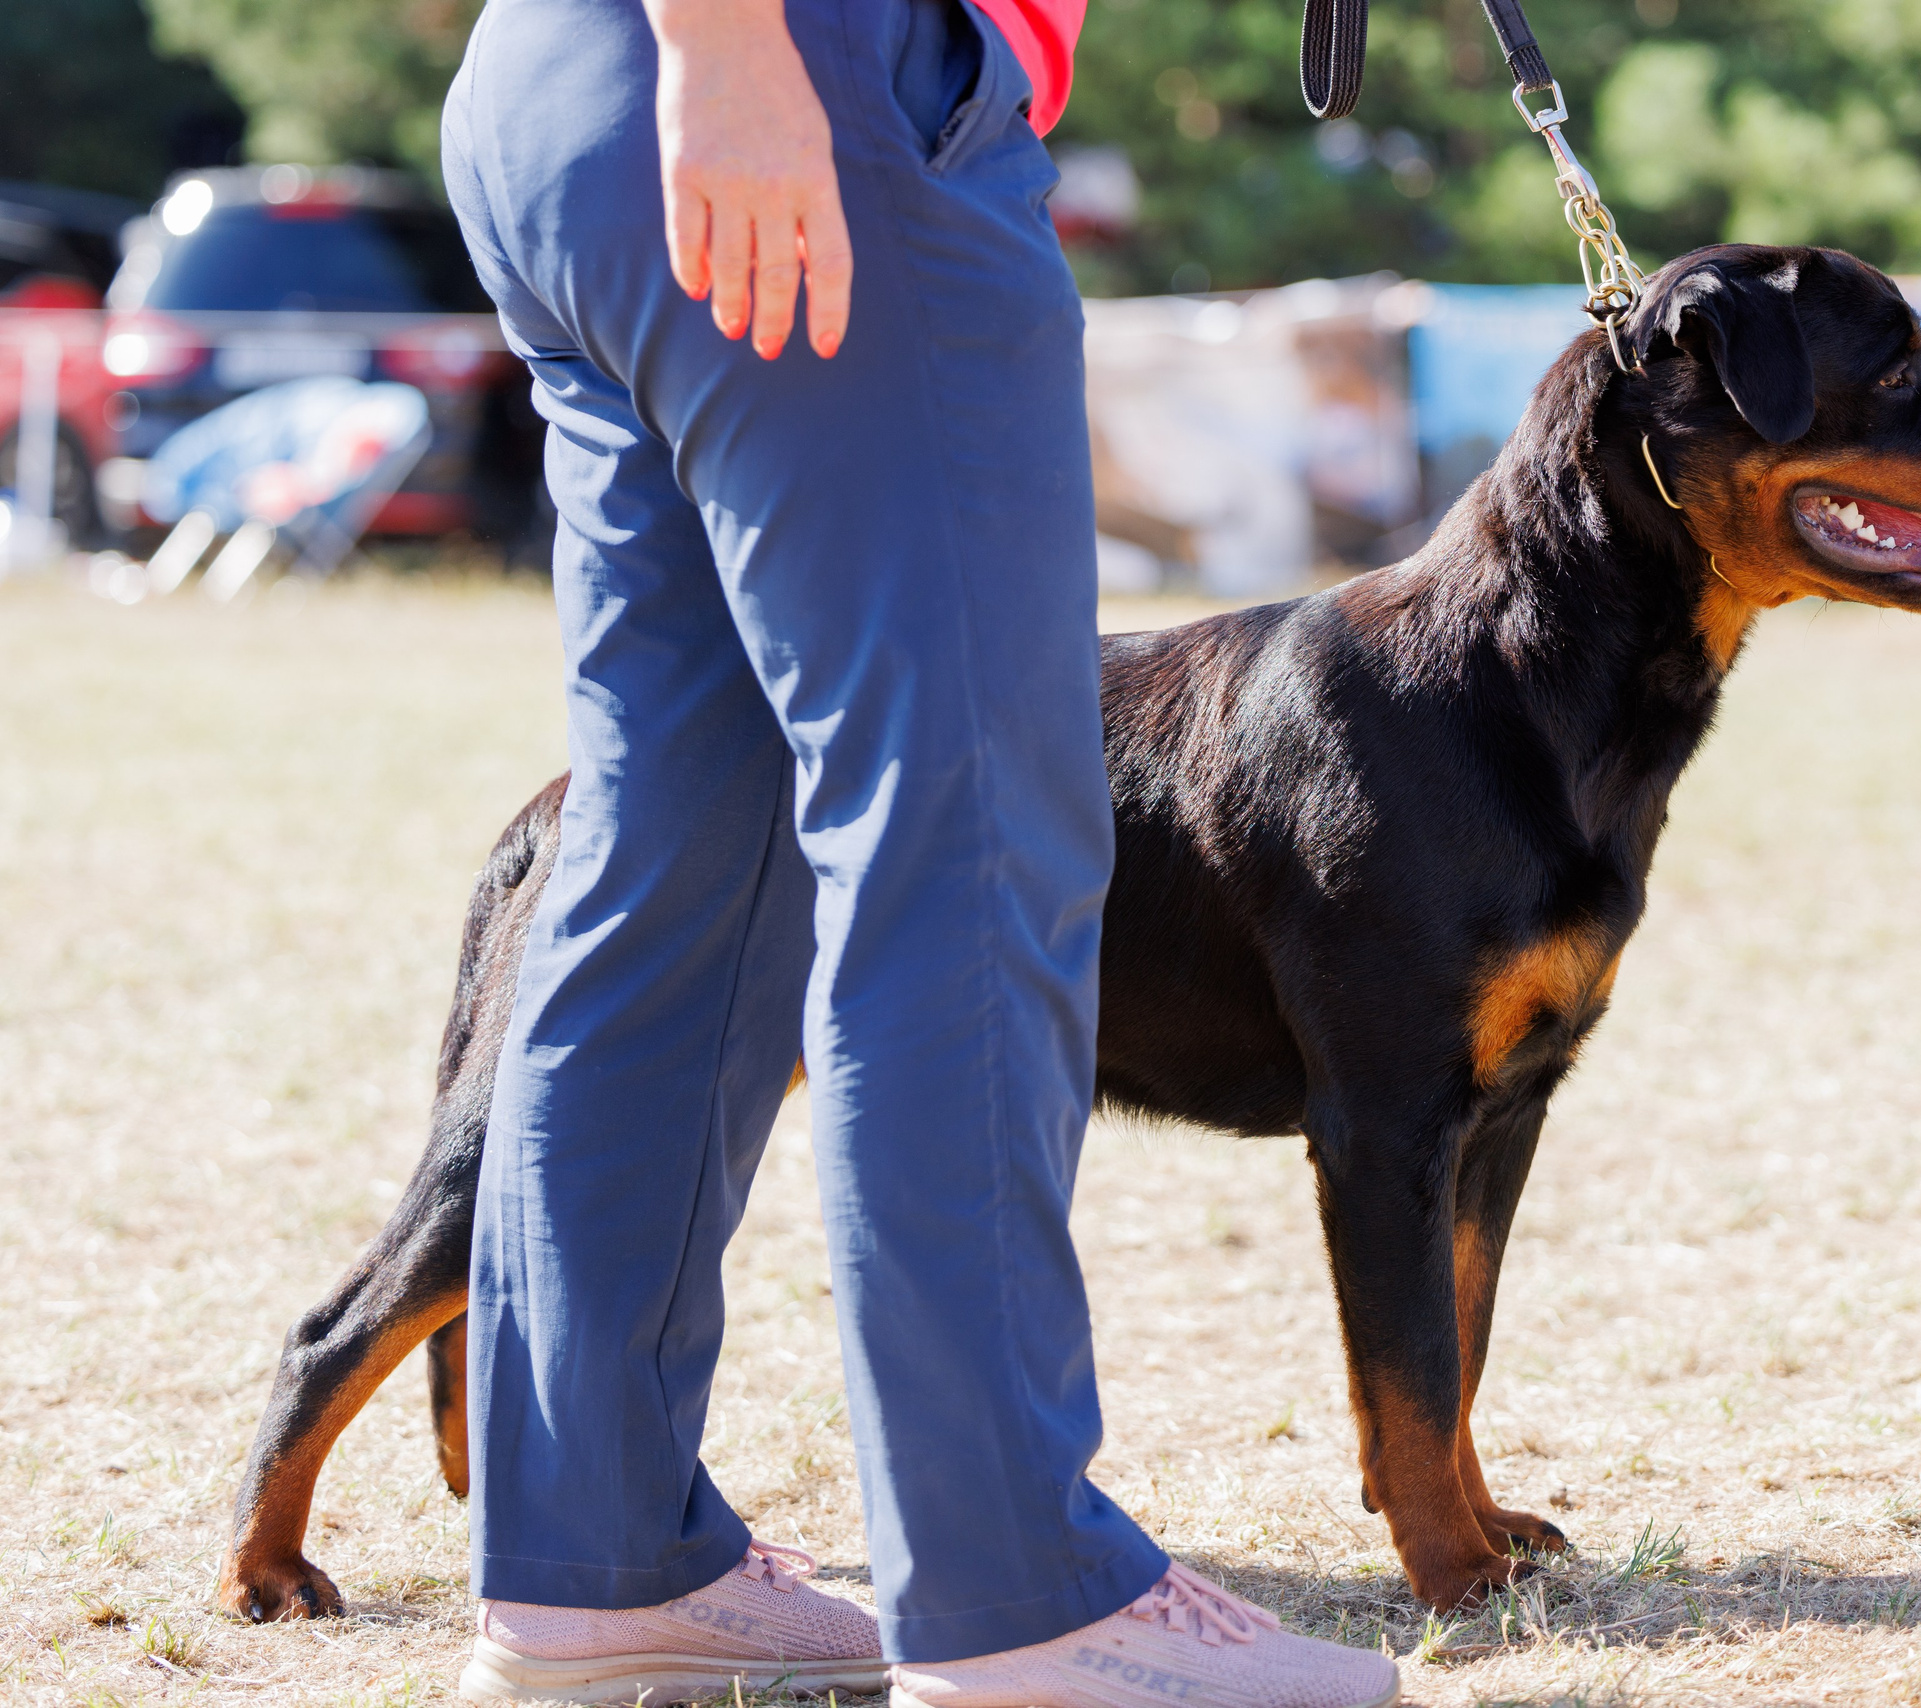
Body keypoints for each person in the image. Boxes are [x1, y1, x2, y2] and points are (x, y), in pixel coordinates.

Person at [436, 0, 1404, 1701]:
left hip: (565, 92)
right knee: (961, 839)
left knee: (679, 853)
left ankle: (603, 1560)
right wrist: (733, 49)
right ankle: (1017, 1593)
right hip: (813, 74)